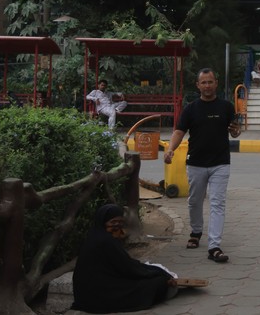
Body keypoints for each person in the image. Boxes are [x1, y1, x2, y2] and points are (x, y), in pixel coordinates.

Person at [164, 69, 240, 263]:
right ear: (198, 85)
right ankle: (196, 232)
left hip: (220, 163)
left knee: (217, 203)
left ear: (216, 83)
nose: (207, 86)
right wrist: (170, 149)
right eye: (203, 82)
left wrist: (236, 131)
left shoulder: (226, 107)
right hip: (196, 163)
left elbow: (235, 131)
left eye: (210, 82)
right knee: (195, 201)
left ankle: (214, 246)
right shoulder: (191, 109)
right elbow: (179, 131)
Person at [71, 203, 178, 313]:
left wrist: (153, 270)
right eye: (113, 222)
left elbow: (123, 264)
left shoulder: (94, 235)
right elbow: (129, 268)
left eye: (120, 222)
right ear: (103, 222)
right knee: (157, 283)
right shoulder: (106, 241)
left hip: (86, 296)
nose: (117, 226)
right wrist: (160, 274)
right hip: (99, 296)